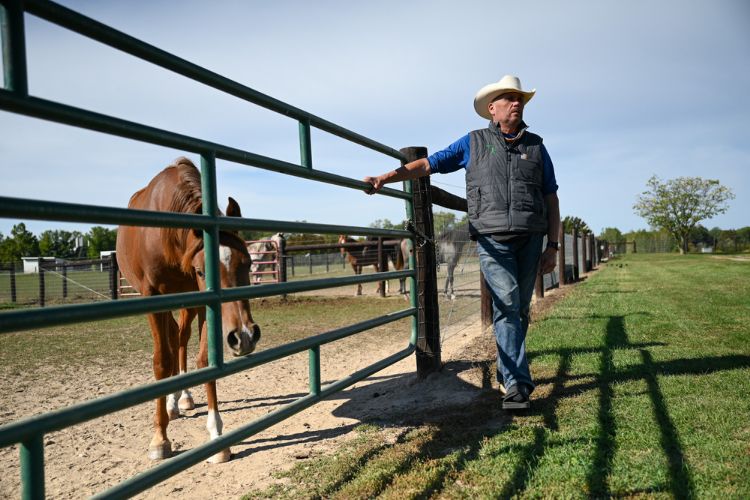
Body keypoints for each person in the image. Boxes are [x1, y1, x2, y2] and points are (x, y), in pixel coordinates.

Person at [364, 75, 560, 410]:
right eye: (509, 99)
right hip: (492, 238)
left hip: (531, 237)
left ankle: (507, 374)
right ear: (491, 109)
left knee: (518, 309)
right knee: (509, 302)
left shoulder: (536, 147)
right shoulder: (474, 143)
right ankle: (517, 385)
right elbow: (429, 164)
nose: (516, 103)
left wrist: (553, 246)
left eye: (520, 99)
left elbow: (551, 198)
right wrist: (387, 177)